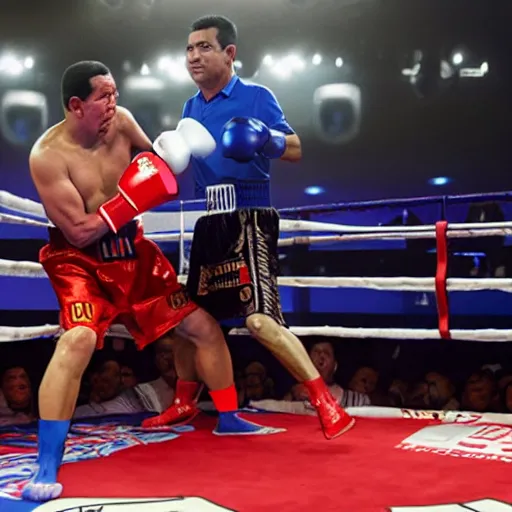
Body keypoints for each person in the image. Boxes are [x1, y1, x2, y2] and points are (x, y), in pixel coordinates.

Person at [22, 60, 278, 503]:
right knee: (78, 340)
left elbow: (156, 169)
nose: (113, 103)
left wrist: (170, 154)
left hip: (133, 255)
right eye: (103, 96)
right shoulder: (47, 156)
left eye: (115, 93)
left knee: (202, 327)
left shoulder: (121, 121)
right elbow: (80, 231)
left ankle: (230, 417)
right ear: (76, 105)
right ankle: (47, 461)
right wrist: (129, 200)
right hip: (80, 263)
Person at [142, 16, 355, 440]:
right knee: (189, 317)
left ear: (229, 53)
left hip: (250, 218)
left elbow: (294, 148)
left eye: (204, 47)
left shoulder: (257, 96)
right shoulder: (191, 107)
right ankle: (185, 401)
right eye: (189, 49)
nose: (193, 56)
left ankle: (326, 402)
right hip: (208, 221)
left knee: (259, 321)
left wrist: (266, 140)